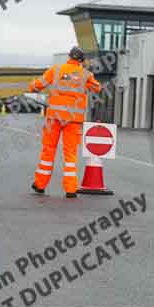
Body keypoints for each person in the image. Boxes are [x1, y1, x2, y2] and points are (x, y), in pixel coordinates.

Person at [28, 46, 101, 198]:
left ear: (69, 57)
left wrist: (33, 87)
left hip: (53, 118)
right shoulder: (85, 74)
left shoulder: (55, 70)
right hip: (73, 120)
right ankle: (70, 189)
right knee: (70, 154)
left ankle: (40, 185)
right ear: (81, 60)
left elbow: (36, 85)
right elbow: (97, 88)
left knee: (48, 151)